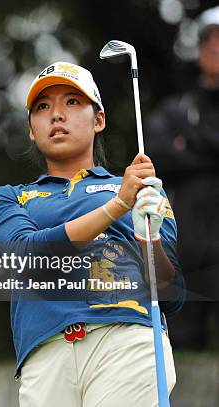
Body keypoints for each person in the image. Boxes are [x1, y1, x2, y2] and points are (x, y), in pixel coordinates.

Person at [0, 62, 185, 406]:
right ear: (32, 129)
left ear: (99, 120)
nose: (56, 115)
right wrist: (117, 207)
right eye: (43, 107)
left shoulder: (142, 191)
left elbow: (170, 294)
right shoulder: (6, 197)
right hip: (44, 355)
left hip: (127, 340)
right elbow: (27, 257)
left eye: (72, 102)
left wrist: (149, 241)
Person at [146, 5, 219, 351]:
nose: (216, 48)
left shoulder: (183, 119)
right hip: (187, 249)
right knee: (181, 347)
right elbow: (156, 156)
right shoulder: (176, 109)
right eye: (209, 40)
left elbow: (181, 153)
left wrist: (191, 144)